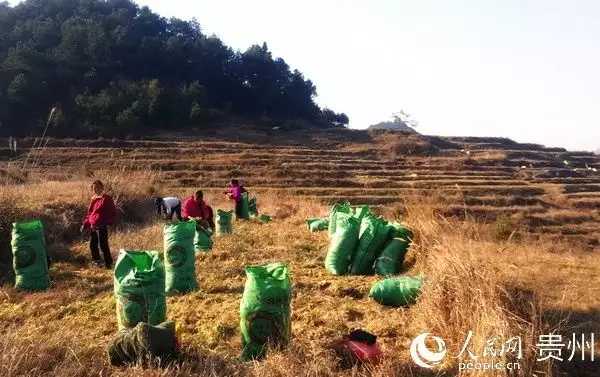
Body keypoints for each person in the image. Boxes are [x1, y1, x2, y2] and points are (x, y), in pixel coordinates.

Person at [81, 180, 117, 269]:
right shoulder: (93, 199)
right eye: (94, 188)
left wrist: (108, 222)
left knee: (103, 245)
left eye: (98, 187)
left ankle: (108, 264)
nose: (96, 189)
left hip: (101, 226)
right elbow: (90, 214)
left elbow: (113, 211)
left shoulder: (107, 199)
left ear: (102, 188)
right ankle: (97, 262)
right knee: (92, 245)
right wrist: (85, 225)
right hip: (93, 227)